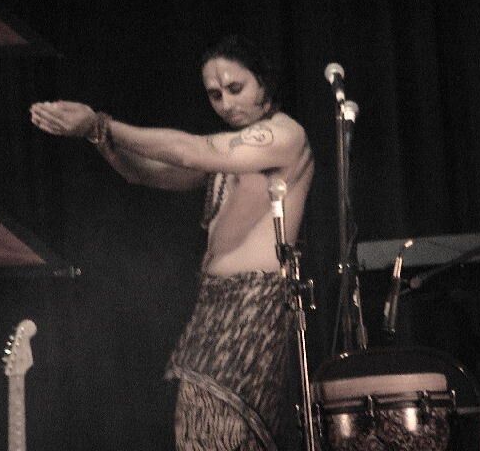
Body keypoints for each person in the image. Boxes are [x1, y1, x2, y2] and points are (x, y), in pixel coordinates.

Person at [29, 35, 314, 450]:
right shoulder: (231, 153)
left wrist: (100, 123)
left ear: (264, 84)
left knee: (220, 426)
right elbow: (146, 172)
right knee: (200, 428)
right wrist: (97, 138)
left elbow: (187, 151)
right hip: (214, 301)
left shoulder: (284, 135)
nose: (225, 103)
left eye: (236, 88)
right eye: (215, 94)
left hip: (256, 303)